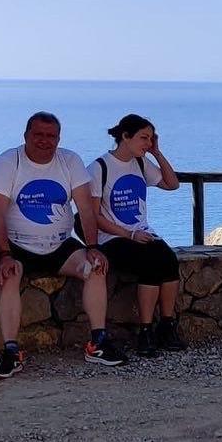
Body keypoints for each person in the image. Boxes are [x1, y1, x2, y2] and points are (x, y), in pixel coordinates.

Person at [0, 112, 120, 377]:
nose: (45, 141)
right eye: (38, 135)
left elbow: (86, 209)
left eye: (51, 136)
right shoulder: (9, 161)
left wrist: (93, 247)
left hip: (60, 245)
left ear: (58, 138)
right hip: (16, 245)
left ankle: (98, 342)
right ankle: (11, 352)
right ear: (26, 136)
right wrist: (3, 254)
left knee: (96, 267)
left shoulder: (69, 161)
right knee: (8, 275)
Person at [89, 114, 184, 357]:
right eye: (144, 138)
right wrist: (129, 234)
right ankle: (145, 330)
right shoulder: (99, 167)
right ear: (125, 136)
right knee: (150, 265)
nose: (147, 143)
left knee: (169, 262)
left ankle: (166, 324)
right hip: (112, 238)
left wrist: (157, 154)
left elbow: (172, 185)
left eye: (151, 139)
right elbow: (94, 216)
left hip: (140, 234)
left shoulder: (141, 164)